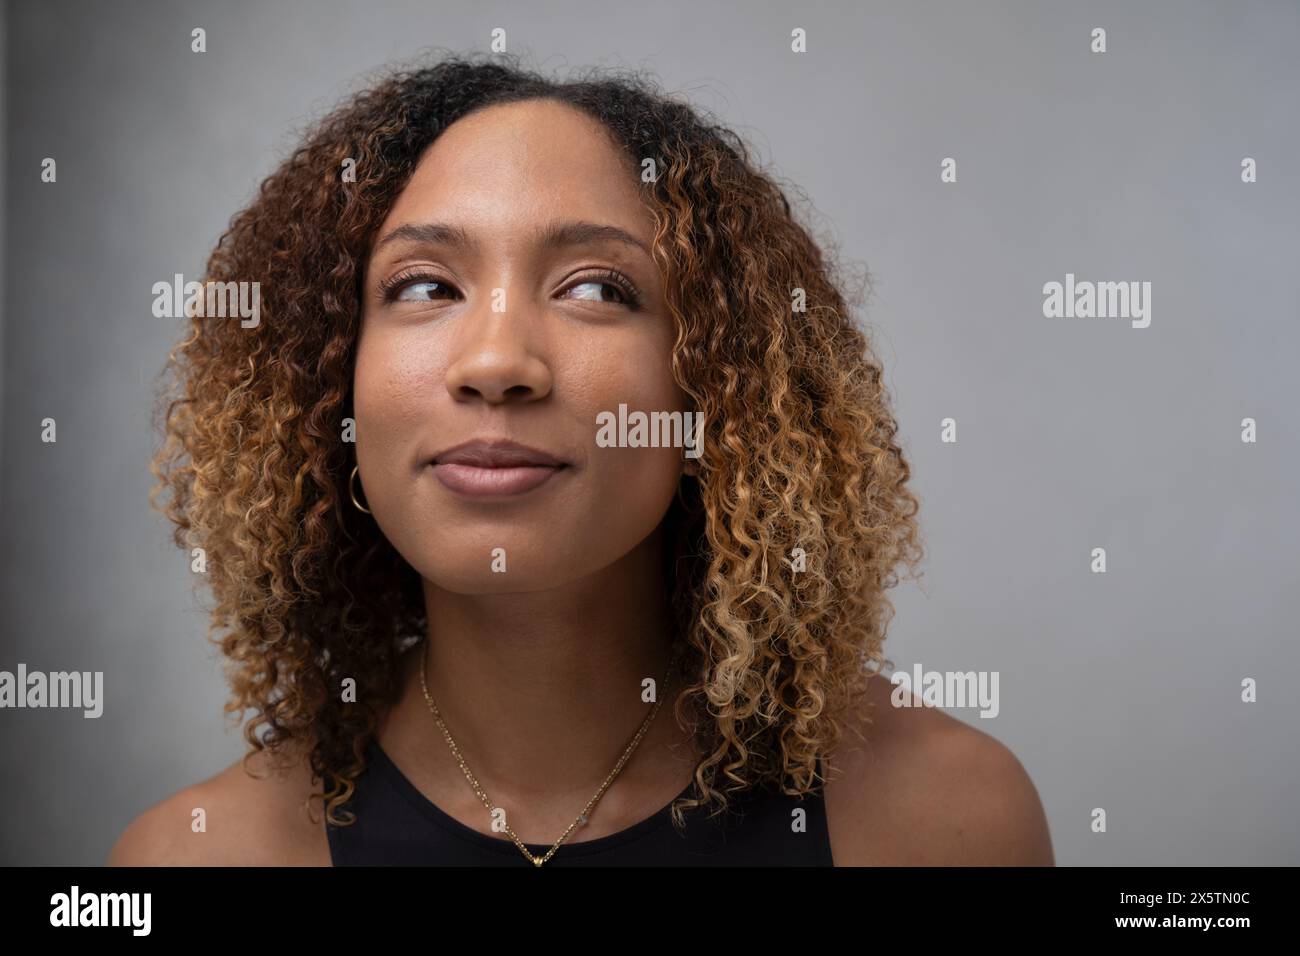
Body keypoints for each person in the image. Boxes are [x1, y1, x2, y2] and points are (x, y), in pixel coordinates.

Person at [109, 53, 1053, 866]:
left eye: (597, 288)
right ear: (328, 385)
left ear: (715, 387)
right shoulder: (195, 852)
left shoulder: (945, 817)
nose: (496, 364)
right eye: (426, 285)